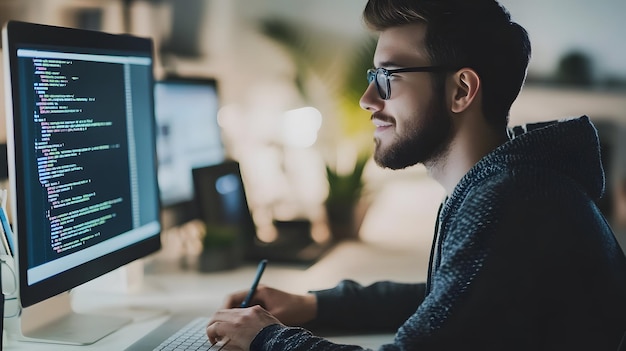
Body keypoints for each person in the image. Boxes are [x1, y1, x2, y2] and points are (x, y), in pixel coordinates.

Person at [206, 0, 626, 349]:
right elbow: (447, 298)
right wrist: (313, 305)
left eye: (388, 77)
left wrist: (267, 340)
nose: (367, 98)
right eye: (374, 76)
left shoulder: (511, 202)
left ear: (461, 90)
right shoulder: (517, 183)